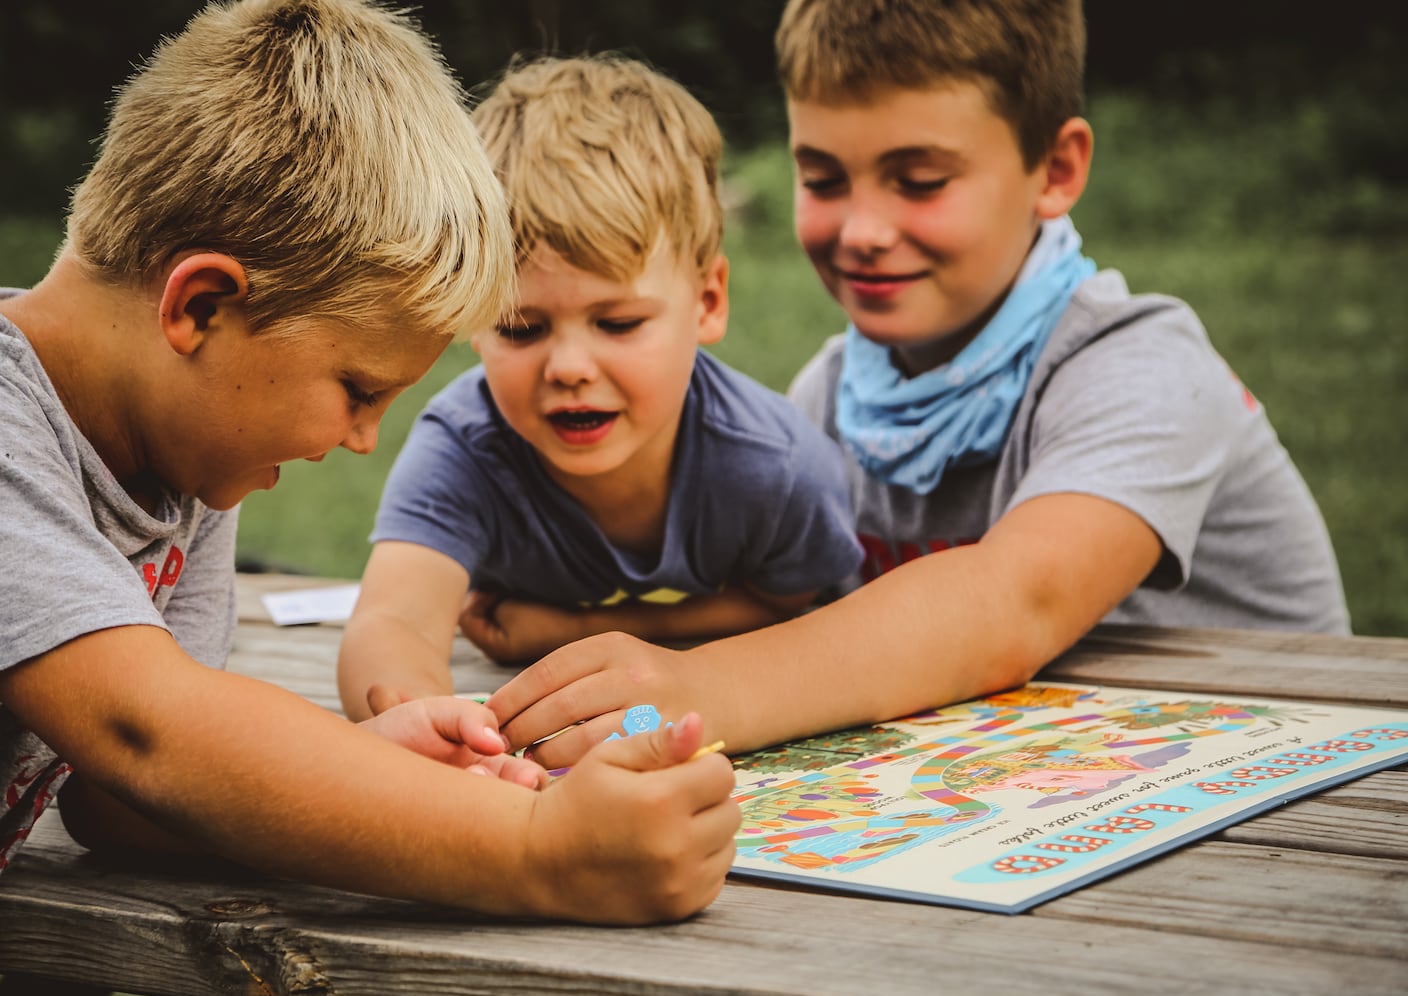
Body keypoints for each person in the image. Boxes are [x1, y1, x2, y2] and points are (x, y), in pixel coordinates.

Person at [0, 3, 737, 996]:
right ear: (200, 305)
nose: (360, 439)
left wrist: (359, 770)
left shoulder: (178, 462)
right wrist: (541, 849)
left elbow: (124, 801)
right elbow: (147, 735)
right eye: (355, 386)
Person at [484, 0, 1349, 768]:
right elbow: (797, 619)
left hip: (1293, 794)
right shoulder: (827, 396)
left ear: (1055, 169)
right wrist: (573, 637)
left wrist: (692, 689)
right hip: (1028, 790)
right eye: (822, 178)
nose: (862, 228)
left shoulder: (1147, 368)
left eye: (920, 181)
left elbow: (1012, 606)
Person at [336, 54, 862, 719]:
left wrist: (576, 633)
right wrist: (417, 720)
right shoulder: (465, 450)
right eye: (522, 328)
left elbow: (793, 601)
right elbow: (392, 622)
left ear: (708, 301)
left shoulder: (776, 466)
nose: (569, 367)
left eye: (617, 322)